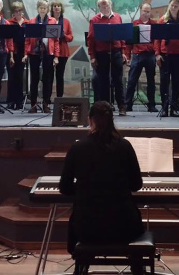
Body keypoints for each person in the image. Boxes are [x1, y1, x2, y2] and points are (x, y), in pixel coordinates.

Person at [59, 101, 144, 265]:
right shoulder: (125, 146)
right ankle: (137, 266)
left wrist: (85, 188)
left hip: (87, 228)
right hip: (124, 226)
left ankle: (83, 262)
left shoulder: (78, 148)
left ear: (89, 119)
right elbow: (136, 185)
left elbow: (64, 187)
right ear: (112, 119)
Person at [87, 0, 128, 115]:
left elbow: (122, 37)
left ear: (111, 6)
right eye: (102, 6)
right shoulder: (94, 20)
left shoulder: (117, 17)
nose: (105, 8)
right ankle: (106, 108)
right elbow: (90, 39)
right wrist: (92, 56)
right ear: (99, 7)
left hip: (116, 52)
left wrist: (123, 52)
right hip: (101, 53)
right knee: (103, 82)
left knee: (118, 80)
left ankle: (121, 106)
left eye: (107, 6)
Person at [155, 0, 179, 117]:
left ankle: (174, 108)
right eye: (172, 5)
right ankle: (165, 107)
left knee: (176, 82)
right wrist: (157, 54)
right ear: (169, 6)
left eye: (176, 6)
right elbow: (157, 39)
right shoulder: (162, 20)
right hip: (165, 55)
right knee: (164, 82)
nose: (173, 7)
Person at [23, 0, 60, 113]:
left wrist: (56, 56)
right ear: (38, 9)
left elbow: (56, 40)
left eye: (44, 8)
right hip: (34, 52)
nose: (42, 10)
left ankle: (46, 103)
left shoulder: (52, 21)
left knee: (47, 79)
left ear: (47, 9)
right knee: (34, 78)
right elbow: (28, 40)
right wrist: (25, 54)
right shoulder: (32, 21)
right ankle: (33, 104)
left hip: (48, 52)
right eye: (41, 8)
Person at [124, 3, 158, 113]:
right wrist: (127, 57)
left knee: (151, 81)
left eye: (148, 11)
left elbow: (157, 42)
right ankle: (128, 104)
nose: (146, 13)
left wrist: (156, 53)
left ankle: (151, 104)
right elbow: (128, 43)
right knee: (132, 80)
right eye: (144, 11)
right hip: (137, 55)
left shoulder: (154, 25)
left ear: (150, 12)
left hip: (150, 55)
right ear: (140, 11)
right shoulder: (134, 25)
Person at [6, 1, 27, 110]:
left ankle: (19, 101)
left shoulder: (27, 23)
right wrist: (11, 56)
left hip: (23, 53)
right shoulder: (9, 23)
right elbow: (8, 40)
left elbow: (29, 40)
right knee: (11, 77)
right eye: (16, 11)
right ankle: (11, 101)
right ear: (13, 13)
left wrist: (26, 54)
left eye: (20, 11)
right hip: (11, 53)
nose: (18, 13)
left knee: (19, 77)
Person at [51, 0, 74, 99]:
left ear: (61, 8)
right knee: (49, 76)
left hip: (63, 52)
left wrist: (63, 34)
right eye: (55, 6)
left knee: (60, 76)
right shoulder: (49, 20)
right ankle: (47, 99)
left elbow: (70, 37)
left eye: (58, 6)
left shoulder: (66, 21)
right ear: (52, 9)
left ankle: (59, 98)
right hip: (51, 51)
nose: (56, 8)